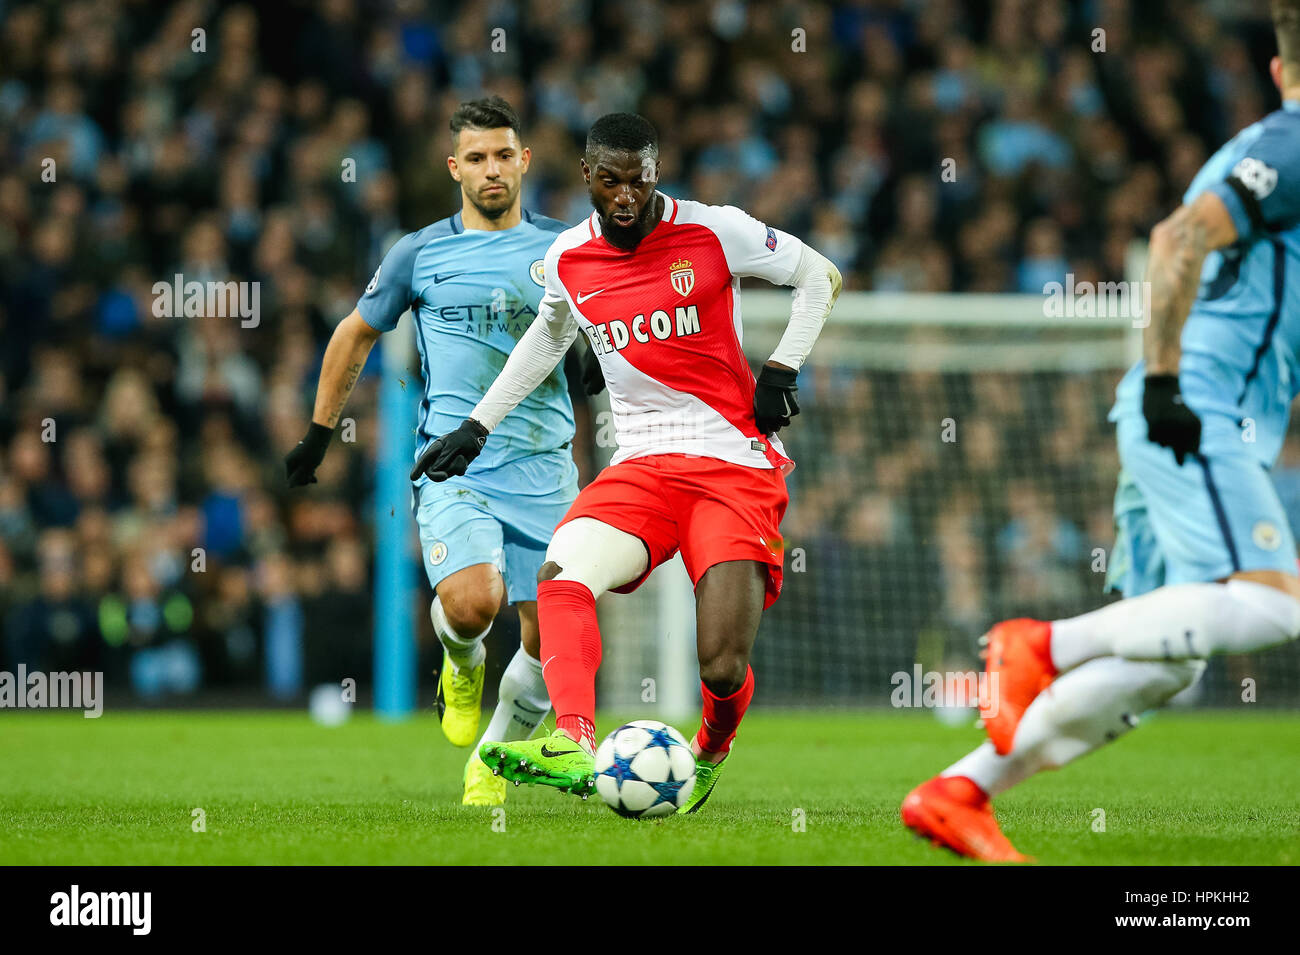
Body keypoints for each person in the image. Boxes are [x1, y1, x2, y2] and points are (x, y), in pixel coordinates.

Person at [903, 0, 1300, 861]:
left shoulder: (1255, 146)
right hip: (1194, 409)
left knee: (1172, 658)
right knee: (1274, 603)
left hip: (1193, 408)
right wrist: (1165, 380)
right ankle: (1041, 640)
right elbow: (1176, 237)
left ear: (1274, 69)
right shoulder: (1293, 145)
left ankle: (958, 791)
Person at [414, 112, 842, 811]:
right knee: (561, 574)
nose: (623, 197)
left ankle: (710, 746)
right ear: (586, 175)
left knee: (723, 663)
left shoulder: (714, 229)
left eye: (637, 182)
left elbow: (819, 277)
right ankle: (573, 738)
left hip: (733, 465)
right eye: (608, 181)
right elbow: (547, 340)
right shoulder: (569, 258)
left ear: (656, 174)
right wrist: (477, 424)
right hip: (642, 464)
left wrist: (782, 369)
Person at [285, 96, 601, 806]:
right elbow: (355, 333)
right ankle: (460, 661)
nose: (492, 170)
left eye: (504, 156)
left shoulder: (566, 247)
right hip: (456, 465)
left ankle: (492, 759)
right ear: (455, 167)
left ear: (525, 160)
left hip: (546, 467)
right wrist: (318, 432)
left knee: (554, 639)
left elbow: (602, 326)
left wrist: (593, 361)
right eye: (477, 158)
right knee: (472, 603)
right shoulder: (419, 251)